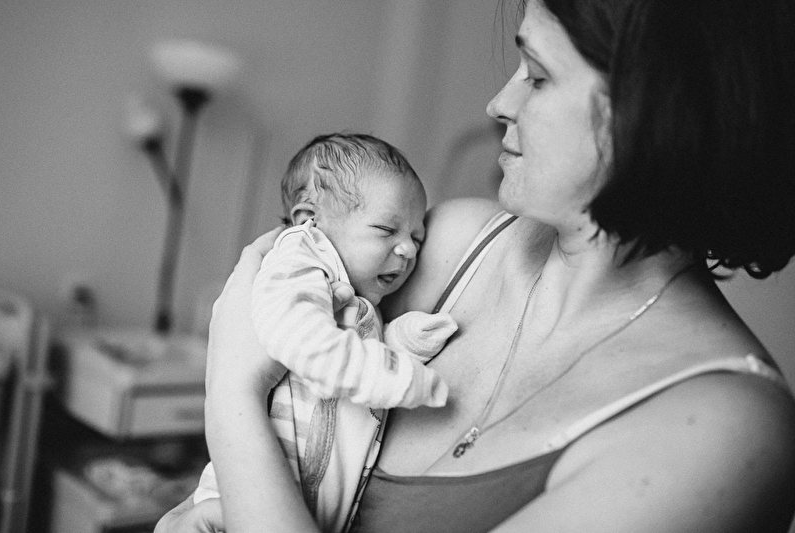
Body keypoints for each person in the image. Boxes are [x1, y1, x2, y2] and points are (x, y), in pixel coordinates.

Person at [157, 0, 795, 531]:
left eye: (537, 76)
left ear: (655, 110)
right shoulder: (453, 244)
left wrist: (231, 395)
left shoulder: (722, 431)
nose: (498, 103)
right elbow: (295, 427)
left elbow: (251, 391)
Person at [191, 133, 455, 533]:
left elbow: (346, 354)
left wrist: (403, 340)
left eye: (416, 237)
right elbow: (303, 340)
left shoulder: (350, 292)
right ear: (308, 221)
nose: (408, 250)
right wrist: (388, 375)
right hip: (246, 497)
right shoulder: (297, 259)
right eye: (387, 229)